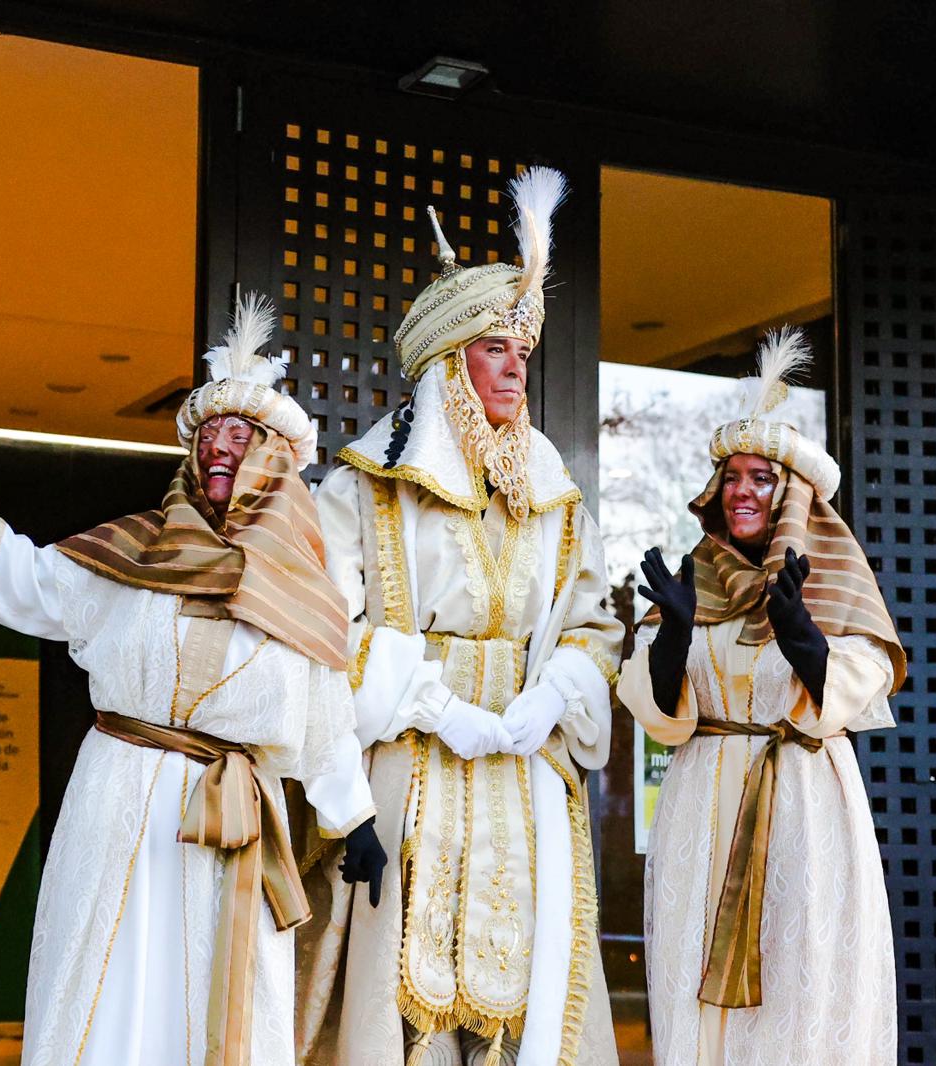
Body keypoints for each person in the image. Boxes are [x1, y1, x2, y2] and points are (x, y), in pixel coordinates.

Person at [0, 295, 387, 1066]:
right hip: (116, 808)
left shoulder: (308, 598)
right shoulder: (134, 556)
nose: (220, 449)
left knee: (210, 1006)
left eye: (241, 435)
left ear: (276, 461)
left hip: (231, 833)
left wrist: (355, 822)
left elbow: (324, 729)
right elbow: (34, 586)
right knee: (103, 988)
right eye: (208, 436)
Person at [296, 167, 623, 1066]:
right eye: (494, 350)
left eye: (523, 352)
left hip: (524, 775)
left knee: (534, 994)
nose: (516, 368)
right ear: (448, 365)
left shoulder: (557, 497)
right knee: (401, 998)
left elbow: (596, 626)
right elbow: (325, 631)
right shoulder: (363, 487)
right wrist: (436, 707)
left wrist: (549, 697)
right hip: (411, 766)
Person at [616, 328, 905, 1065]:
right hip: (699, 811)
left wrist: (802, 632)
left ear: (795, 495)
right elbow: (655, 712)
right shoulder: (692, 582)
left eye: (762, 478)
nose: (742, 492)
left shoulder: (831, 583)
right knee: (693, 989)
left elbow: (856, 686)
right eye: (733, 477)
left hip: (805, 811)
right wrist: (676, 634)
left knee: (800, 992)